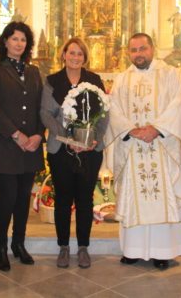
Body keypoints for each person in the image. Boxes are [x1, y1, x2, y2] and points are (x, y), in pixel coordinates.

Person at [105, 33, 181, 270]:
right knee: (133, 197)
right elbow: (113, 109)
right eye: (133, 50)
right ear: (128, 53)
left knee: (161, 197)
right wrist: (131, 130)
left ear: (152, 48)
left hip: (162, 146)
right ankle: (133, 250)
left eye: (142, 48)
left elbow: (179, 105)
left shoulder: (170, 74)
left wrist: (156, 129)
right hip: (133, 147)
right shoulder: (122, 79)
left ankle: (163, 252)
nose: (138, 54)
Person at [40, 37, 108, 269]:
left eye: (80, 54)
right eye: (71, 53)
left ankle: (83, 247)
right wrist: (68, 138)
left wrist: (94, 138)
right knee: (63, 198)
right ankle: (63, 247)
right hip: (61, 149)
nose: (75, 57)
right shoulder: (52, 81)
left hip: (90, 150)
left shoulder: (94, 80)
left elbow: (105, 112)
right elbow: (46, 114)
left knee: (85, 199)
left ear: (85, 57)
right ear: (64, 55)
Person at [0, 21, 44, 272]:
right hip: (7, 145)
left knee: (22, 200)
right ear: (5, 41)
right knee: (7, 198)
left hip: (31, 146)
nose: (19, 43)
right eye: (14, 38)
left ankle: (19, 244)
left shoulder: (33, 71)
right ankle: (0, 247)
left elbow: (41, 106)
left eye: (23, 40)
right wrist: (16, 135)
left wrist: (39, 135)